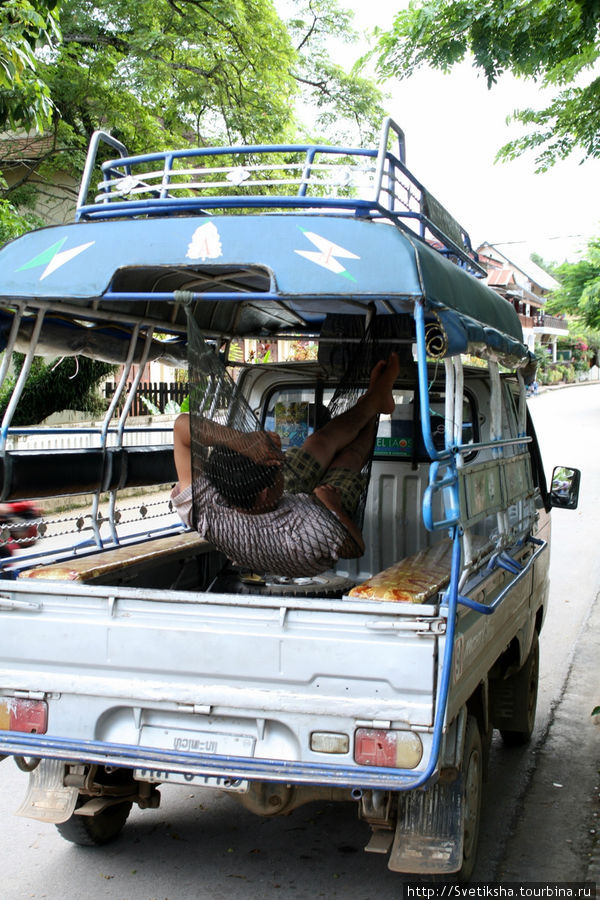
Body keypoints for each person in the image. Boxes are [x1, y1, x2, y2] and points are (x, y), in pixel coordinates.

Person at [171, 353, 400, 577]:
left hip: (282, 504)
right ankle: (374, 409)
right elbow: (356, 548)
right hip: (314, 516)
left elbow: (182, 426)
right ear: (264, 493)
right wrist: (332, 506)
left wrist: (242, 442)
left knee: (318, 442)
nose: (284, 465)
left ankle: (374, 399)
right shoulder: (308, 534)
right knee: (349, 458)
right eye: (279, 469)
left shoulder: (208, 511)